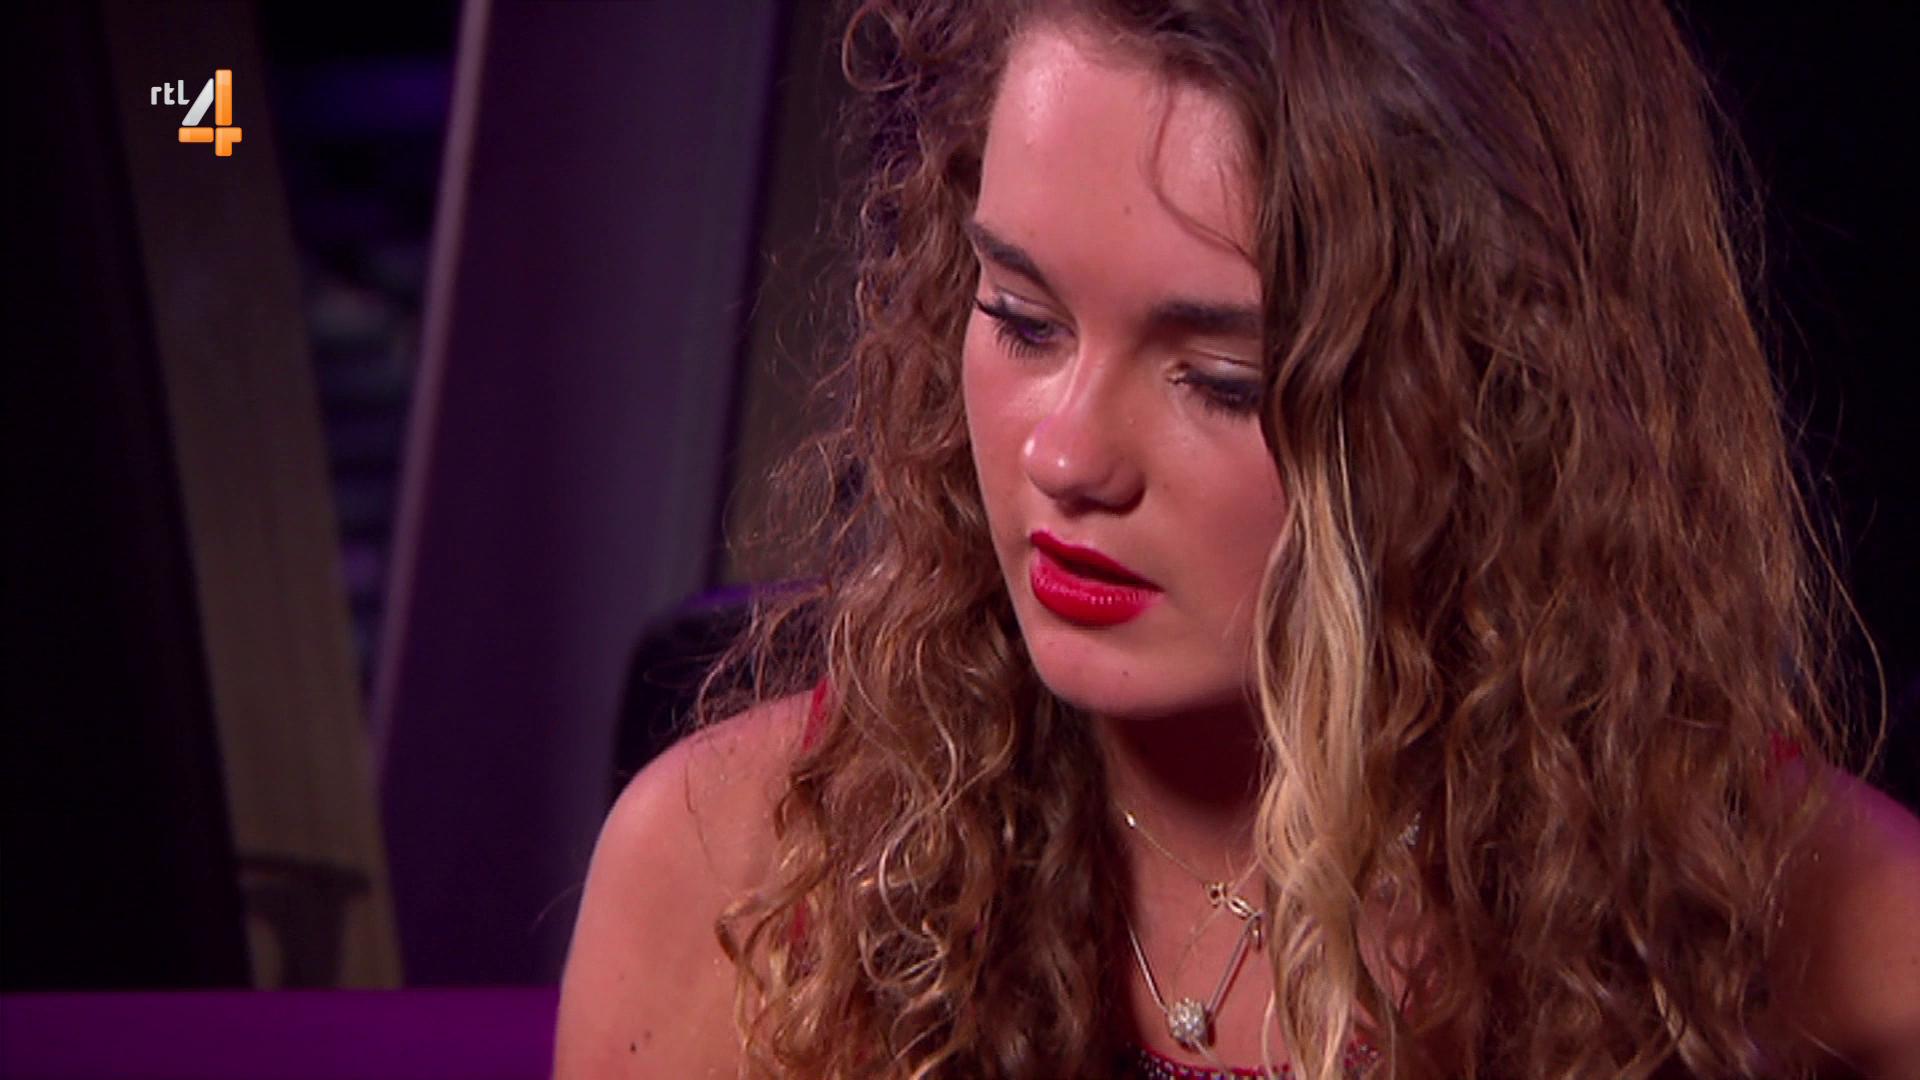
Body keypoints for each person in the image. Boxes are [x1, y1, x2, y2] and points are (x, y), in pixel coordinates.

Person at [554, 1, 1920, 1076]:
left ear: (1506, 401)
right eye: (1021, 319)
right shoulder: (739, 885)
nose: (1066, 457)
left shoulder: (1841, 940)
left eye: (1222, 380)